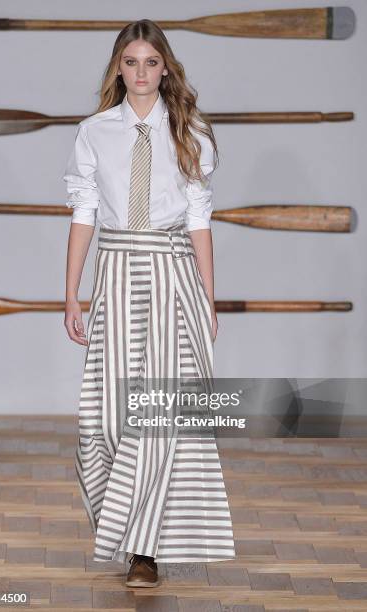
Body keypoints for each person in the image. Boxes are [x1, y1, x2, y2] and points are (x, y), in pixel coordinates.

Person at [63, 19, 235, 588]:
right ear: (118, 67)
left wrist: (208, 301)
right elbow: (84, 214)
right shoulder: (94, 132)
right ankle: (124, 529)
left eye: (151, 62)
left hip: (171, 274)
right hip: (114, 275)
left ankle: (145, 552)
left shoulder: (192, 132)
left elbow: (199, 223)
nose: (141, 73)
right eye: (131, 62)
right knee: (104, 423)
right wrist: (71, 295)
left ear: (166, 68)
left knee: (157, 418)